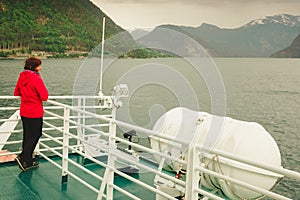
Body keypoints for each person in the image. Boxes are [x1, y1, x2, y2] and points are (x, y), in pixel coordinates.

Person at [14, 57, 48, 172]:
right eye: (38, 66)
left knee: (27, 135)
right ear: (32, 67)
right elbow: (44, 96)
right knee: (36, 134)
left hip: (24, 111)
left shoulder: (22, 76)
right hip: (34, 112)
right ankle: (22, 157)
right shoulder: (36, 78)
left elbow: (16, 92)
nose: (40, 68)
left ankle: (27, 162)